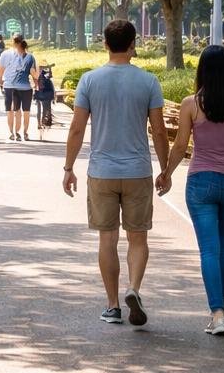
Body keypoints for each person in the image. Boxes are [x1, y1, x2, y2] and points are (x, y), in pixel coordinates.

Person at [62, 19, 172, 327]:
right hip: (138, 171)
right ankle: (134, 288)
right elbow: (160, 132)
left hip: (102, 171)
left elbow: (76, 128)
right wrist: (165, 169)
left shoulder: (89, 81)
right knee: (138, 238)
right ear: (134, 44)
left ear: (105, 44)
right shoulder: (149, 81)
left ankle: (112, 306)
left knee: (107, 239)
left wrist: (69, 167)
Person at [161, 46, 224, 336]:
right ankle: (220, 309)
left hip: (201, 183)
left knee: (209, 249)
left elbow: (180, 146)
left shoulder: (191, 104)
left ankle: (217, 312)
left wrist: (166, 174)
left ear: (202, 70)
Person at [0, 35, 39, 141]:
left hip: (9, 86)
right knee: (26, 111)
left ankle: (13, 132)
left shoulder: (5, 54)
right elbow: (34, 74)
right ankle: (23, 132)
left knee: (12, 110)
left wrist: (1, 80)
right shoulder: (30, 56)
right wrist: (36, 82)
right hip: (25, 87)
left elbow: (1, 70)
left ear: (12, 42)